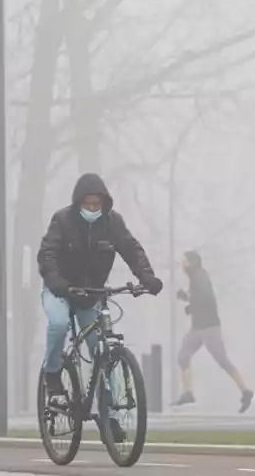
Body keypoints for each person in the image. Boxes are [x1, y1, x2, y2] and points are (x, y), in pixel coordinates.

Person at [38, 173, 163, 413]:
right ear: (78, 203)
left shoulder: (112, 223)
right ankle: (52, 378)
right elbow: (48, 254)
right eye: (88, 205)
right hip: (60, 291)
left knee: (102, 351)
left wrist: (147, 278)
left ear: (105, 204)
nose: (93, 209)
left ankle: (110, 416)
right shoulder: (62, 221)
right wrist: (58, 282)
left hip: (90, 295)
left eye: (97, 205)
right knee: (59, 323)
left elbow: (131, 249)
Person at [172, 251, 255, 413]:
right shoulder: (195, 277)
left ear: (192, 263)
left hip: (209, 328)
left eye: (184, 262)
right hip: (198, 328)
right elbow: (200, 298)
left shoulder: (200, 277)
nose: (182, 265)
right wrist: (189, 300)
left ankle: (246, 392)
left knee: (222, 361)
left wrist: (188, 301)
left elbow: (207, 299)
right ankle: (188, 393)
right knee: (183, 356)